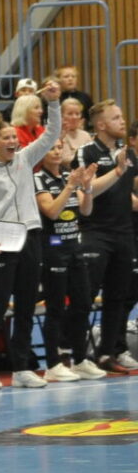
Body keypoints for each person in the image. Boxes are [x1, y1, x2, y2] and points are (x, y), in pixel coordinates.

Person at [0, 85, 63, 389]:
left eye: (14, 137)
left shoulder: (24, 159)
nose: (12, 141)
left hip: (31, 237)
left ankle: (21, 368)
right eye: (5, 138)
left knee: (26, 305)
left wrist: (53, 103)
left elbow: (51, 134)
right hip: (0, 243)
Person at [35, 140, 103, 383]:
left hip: (75, 247)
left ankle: (80, 359)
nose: (56, 151)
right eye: (51, 147)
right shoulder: (38, 180)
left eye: (59, 147)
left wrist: (87, 187)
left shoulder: (68, 175)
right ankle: (53, 363)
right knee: (55, 307)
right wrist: (70, 186)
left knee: (83, 303)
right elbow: (52, 211)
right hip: (53, 249)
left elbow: (85, 210)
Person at [77, 101, 138, 373]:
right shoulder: (87, 151)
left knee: (118, 296)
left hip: (124, 232)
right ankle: (73, 354)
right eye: (116, 118)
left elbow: (131, 185)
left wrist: (124, 171)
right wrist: (116, 171)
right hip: (96, 232)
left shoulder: (128, 154)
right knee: (86, 296)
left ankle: (107, 353)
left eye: (121, 116)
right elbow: (87, 189)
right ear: (101, 124)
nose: (122, 121)